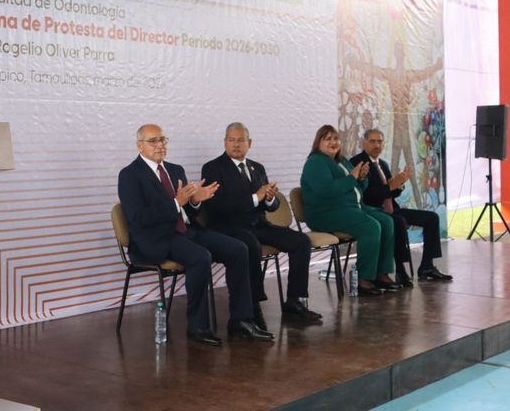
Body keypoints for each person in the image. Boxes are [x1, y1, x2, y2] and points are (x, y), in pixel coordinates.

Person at [117, 124, 273, 345]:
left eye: (162, 140)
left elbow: (188, 212)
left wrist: (195, 201)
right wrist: (176, 203)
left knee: (239, 249)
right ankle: (197, 326)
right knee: (200, 257)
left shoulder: (175, 169)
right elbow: (138, 218)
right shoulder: (129, 175)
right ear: (139, 146)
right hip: (156, 238)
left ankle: (241, 320)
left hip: (186, 231)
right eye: (153, 141)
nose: (160, 145)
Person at [201, 123, 323, 325]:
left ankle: (295, 301)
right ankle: (252, 306)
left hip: (259, 224)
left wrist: (269, 198)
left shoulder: (257, 168)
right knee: (250, 244)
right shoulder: (213, 168)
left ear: (249, 143)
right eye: (231, 140)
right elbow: (216, 205)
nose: (236, 144)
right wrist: (255, 198)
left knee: (301, 241)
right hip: (228, 227)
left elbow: (271, 206)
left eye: (240, 140)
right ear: (225, 142)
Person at [299, 125, 398, 296]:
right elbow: (327, 190)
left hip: (350, 208)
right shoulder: (315, 162)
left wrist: (361, 178)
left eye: (336, 138)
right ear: (318, 142)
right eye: (327, 139)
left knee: (387, 221)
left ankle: (381, 273)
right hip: (326, 213)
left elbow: (358, 188)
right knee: (371, 227)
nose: (333, 142)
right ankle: (364, 279)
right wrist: (352, 177)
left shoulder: (342, 160)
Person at [350, 129, 452, 285]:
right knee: (398, 221)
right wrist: (391, 186)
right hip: (373, 211)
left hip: (391, 208)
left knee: (432, 218)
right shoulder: (358, 163)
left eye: (380, 142)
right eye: (372, 141)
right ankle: (400, 270)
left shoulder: (382, 164)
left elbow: (392, 192)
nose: (377, 145)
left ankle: (427, 266)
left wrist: (400, 183)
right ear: (364, 143)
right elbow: (366, 195)